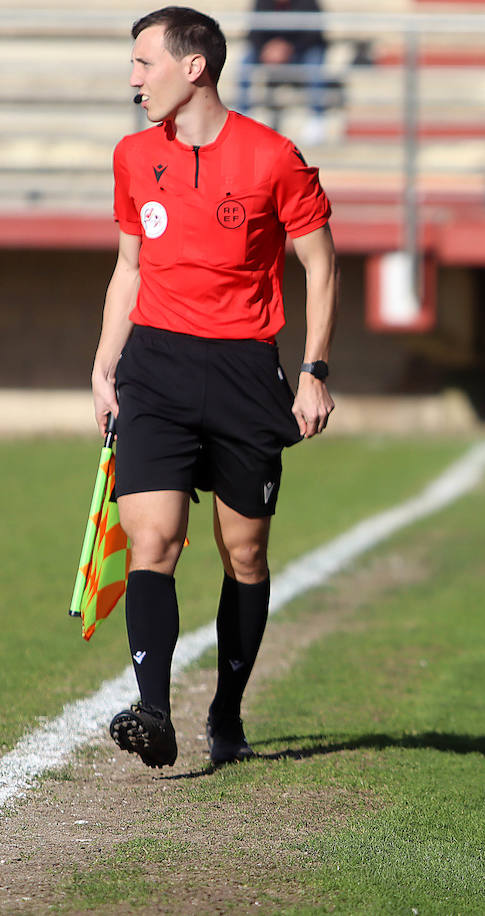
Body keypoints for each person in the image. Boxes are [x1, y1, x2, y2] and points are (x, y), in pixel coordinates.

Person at [91, 5, 337, 769]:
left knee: (246, 555)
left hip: (243, 371)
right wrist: (104, 366)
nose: (133, 77)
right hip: (155, 369)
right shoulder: (134, 156)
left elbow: (321, 265)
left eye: (143, 62)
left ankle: (226, 715)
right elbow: (129, 268)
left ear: (193, 66)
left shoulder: (275, 158)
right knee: (153, 541)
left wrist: (314, 370)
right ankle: (154, 710)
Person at [238, 0, 329, 144]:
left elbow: (314, 35)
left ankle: (316, 119)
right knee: (245, 62)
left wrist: (288, 49)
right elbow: (253, 33)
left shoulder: (309, 3)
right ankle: (242, 116)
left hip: (301, 52)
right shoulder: (262, 3)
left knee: (314, 64)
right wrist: (267, 48)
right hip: (269, 52)